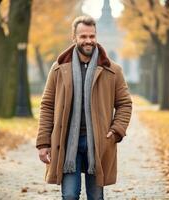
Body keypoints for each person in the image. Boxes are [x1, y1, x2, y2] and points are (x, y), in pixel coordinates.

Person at [36, 15, 132, 200]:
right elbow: (47, 106)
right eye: (83, 36)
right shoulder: (58, 68)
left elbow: (124, 104)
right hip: (66, 143)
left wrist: (116, 130)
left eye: (92, 36)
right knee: (70, 195)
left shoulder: (113, 70)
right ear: (74, 38)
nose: (88, 41)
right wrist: (43, 143)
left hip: (99, 142)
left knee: (96, 197)